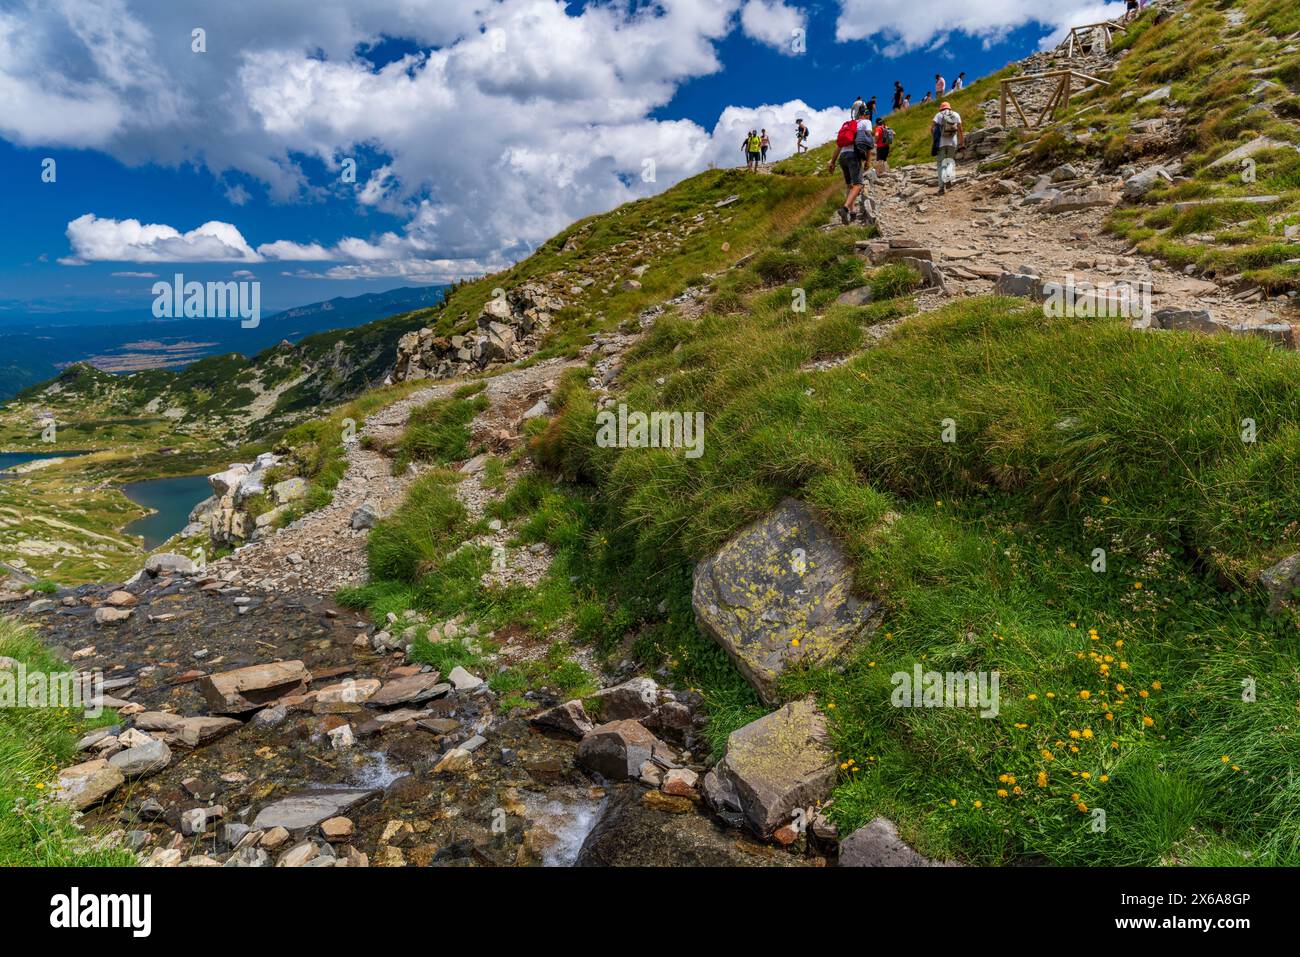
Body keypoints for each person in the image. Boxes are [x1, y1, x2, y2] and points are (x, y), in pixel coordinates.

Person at [828, 105, 874, 224]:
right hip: (854, 156)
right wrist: (868, 161)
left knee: (849, 185)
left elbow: (839, 145)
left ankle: (852, 213)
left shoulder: (850, 125)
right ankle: (845, 209)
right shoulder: (866, 122)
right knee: (858, 184)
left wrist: (832, 162)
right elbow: (868, 142)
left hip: (843, 156)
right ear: (866, 114)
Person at [931, 100, 964, 195]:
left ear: (941, 108)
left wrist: (934, 139)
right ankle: (949, 177)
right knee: (949, 161)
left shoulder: (939, 115)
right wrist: (962, 142)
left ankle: (941, 188)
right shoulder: (956, 114)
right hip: (952, 143)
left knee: (941, 164)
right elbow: (960, 130)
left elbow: (932, 128)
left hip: (941, 143)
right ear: (950, 107)